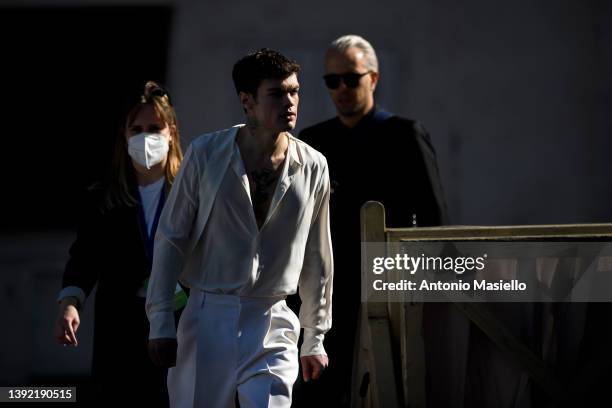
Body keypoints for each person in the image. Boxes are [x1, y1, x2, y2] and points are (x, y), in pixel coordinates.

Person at [145, 49, 333, 408]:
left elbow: (318, 255)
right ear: (246, 101)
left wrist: (315, 337)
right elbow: (171, 238)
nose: (290, 102)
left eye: (295, 91)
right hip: (208, 313)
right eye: (277, 93)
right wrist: (161, 321)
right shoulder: (207, 153)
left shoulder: (313, 165)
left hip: (272, 317)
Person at [298, 34, 448, 406]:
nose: (342, 88)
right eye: (333, 81)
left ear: (374, 78)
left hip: (388, 287)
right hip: (328, 293)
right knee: (322, 391)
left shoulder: (404, 135)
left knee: (387, 388)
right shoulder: (314, 141)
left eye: (352, 78)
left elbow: (434, 222)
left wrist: (419, 285)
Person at [54, 81, 185, 407]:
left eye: (154, 128)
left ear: (171, 132)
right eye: (137, 129)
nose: (146, 137)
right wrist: (70, 302)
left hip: (180, 324)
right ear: (125, 136)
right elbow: (84, 258)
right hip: (121, 328)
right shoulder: (103, 198)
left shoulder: (191, 192)